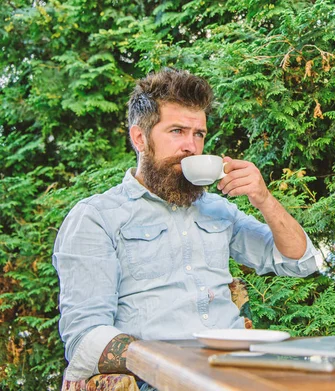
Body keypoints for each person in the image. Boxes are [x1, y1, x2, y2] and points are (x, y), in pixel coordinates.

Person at [52, 68, 319, 384]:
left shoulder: (218, 210)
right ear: (140, 138)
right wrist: (169, 365)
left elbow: (299, 261)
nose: (191, 147)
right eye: (177, 131)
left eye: (199, 134)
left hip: (238, 369)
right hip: (157, 379)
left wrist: (263, 198)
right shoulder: (97, 217)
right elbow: (84, 336)